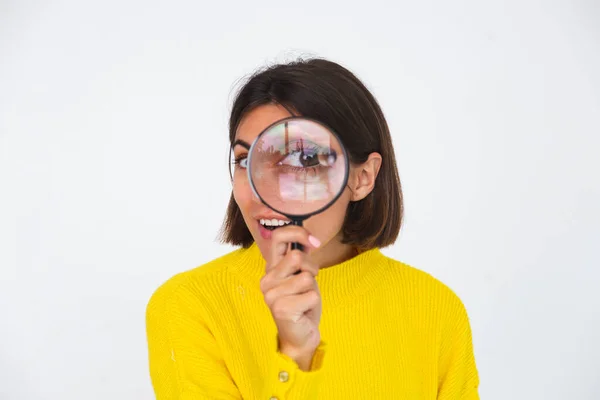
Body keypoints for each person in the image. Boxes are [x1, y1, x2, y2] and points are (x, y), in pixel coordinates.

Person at [146, 58, 480, 399]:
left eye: (303, 160)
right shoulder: (189, 305)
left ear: (363, 177)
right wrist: (296, 356)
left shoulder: (435, 307)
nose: (263, 191)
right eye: (245, 160)